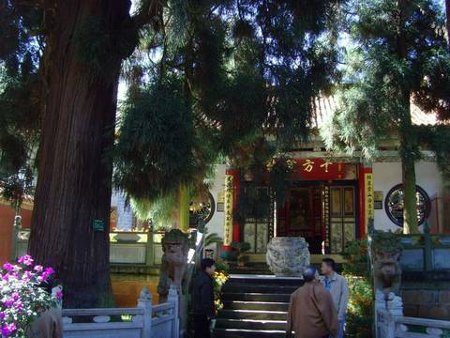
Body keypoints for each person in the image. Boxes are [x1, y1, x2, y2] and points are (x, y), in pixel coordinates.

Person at [286, 266, 338, 338]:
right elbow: (328, 314)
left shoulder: (296, 293)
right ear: (316, 276)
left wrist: (288, 332)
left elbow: (290, 315)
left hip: (300, 333)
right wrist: (334, 331)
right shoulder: (322, 292)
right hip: (319, 333)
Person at [321, 258, 349, 338]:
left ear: (329, 267)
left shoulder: (341, 280)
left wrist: (340, 316)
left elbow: (344, 299)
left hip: (336, 316)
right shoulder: (321, 281)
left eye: (323, 266)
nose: (321, 268)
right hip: (323, 317)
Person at [192, 258, 216, 338]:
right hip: (203, 313)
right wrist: (209, 314)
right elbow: (206, 299)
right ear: (207, 267)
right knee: (203, 334)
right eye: (213, 266)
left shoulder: (199, 277)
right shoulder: (206, 281)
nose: (214, 268)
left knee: (198, 333)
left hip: (197, 311)